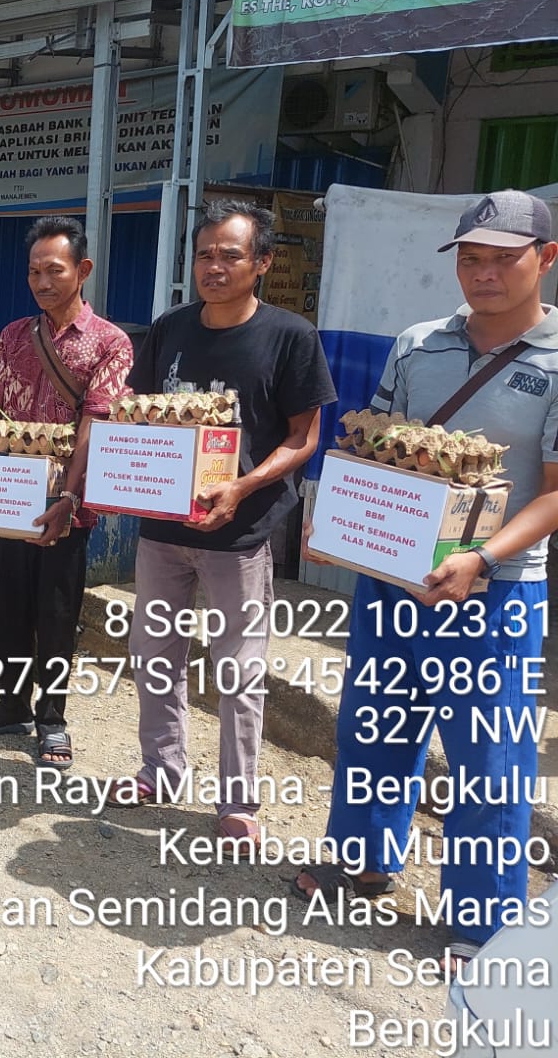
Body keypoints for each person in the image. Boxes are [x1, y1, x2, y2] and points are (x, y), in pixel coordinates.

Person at [296, 190, 558, 966]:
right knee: (374, 726)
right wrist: (337, 515)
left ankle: (485, 923)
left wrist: (481, 558)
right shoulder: (417, 342)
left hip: (497, 592)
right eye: (470, 258)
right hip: (394, 580)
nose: (482, 274)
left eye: (502, 258)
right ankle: (363, 858)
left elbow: (554, 490)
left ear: (545, 259)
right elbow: (378, 444)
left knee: (487, 757)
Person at [122, 199, 336, 847]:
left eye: (231, 255)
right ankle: (161, 768)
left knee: (238, 669)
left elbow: (304, 438)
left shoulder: (289, 336)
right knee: (155, 654)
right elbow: (143, 409)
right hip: (163, 527)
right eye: (205, 254)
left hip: (238, 535)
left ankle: (237, 802)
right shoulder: (170, 329)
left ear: (262, 263)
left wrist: (242, 485)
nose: (214, 266)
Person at [0, 216, 132, 768]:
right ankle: (11, 704)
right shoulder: (12, 336)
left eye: (54, 270)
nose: (42, 281)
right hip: (10, 498)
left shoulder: (110, 343)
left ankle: (52, 718)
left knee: (55, 614)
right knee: (9, 607)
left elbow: (95, 427)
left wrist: (71, 499)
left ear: (82, 271)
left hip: (67, 508)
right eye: (34, 271)